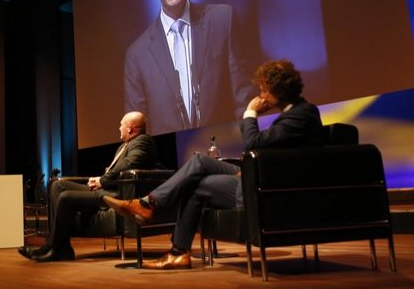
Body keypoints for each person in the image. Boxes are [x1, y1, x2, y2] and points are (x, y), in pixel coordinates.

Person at [105, 59, 323, 269]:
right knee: (199, 161)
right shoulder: (298, 113)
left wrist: (251, 113)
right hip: (257, 174)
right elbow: (268, 149)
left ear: (279, 90)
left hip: (261, 186)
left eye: (264, 90)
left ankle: (172, 242)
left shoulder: (300, 116)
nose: (261, 95)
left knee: (196, 185)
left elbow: (252, 144)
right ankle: (149, 208)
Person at [124, 0, 252, 136]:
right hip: (171, 166)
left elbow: (244, 100)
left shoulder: (223, 20)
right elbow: (138, 132)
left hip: (226, 158)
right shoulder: (137, 55)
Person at [18, 111, 157, 262]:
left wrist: (102, 181)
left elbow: (127, 165)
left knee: (66, 197)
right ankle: (57, 245)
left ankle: (57, 248)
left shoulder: (143, 141)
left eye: (121, 125)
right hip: (107, 188)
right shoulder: (124, 146)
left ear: (129, 128)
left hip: (116, 194)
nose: (119, 128)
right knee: (58, 186)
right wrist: (100, 180)